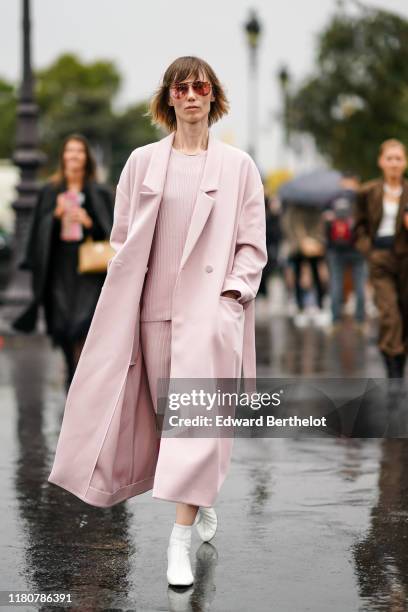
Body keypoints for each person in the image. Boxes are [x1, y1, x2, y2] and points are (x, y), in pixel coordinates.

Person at [47, 56, 267, 589]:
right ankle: (201, 496)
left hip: (208, 316)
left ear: (213, 95)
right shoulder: (142, 162)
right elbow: (122, 238)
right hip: (151, 315)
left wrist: (231, 297)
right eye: (181, 87)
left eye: (200, 86)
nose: (191, 94)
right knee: (164, 420)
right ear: (168, 97)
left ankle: (177, 541)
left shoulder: (239, 166)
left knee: (194, 423)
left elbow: (252, 244)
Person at [12, 134, 114, 391]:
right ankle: (72, 375)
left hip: (89, 269)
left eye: (79, 152)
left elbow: (114, 231)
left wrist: (89, 222)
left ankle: (83, 381)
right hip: (59, 268)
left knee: (85, 324)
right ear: (63, 157)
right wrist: (55, 217)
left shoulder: (99, 191)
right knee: (63, 326)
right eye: (69, 152)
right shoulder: (50, 191)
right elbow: (37, 232)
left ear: (86, 158)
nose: (74, 156)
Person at [354, 139, 408, 378]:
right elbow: (359, 227)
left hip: (406, 258)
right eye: (390, 158)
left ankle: (397, 360)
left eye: (398, 158)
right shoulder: (367, 192)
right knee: (389, 313)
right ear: (381, 162)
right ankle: (393, 369)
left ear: (405, 162)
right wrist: (369, 250)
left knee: (404, 313)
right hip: (380, 257)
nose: (394, 163)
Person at [324, 173, 367, 332]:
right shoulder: (362, 198)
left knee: (336, 283)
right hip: (357, 249)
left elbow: (326, 226)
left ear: (342, 182)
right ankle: (360, 320)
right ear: (357, 181)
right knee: (360, 284)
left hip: (336, 249)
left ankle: (335, 320)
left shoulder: (332, 199)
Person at [282, 203, 329, 327]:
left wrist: (313, 240)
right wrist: (301, 241)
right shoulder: (292, 210)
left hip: (314, 247)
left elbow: (320, 226)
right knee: (297, 276)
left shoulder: (315, 208)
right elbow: (288, 226)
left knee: (316, 275)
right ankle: (300, 307)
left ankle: (319, 305)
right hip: (297, 247)